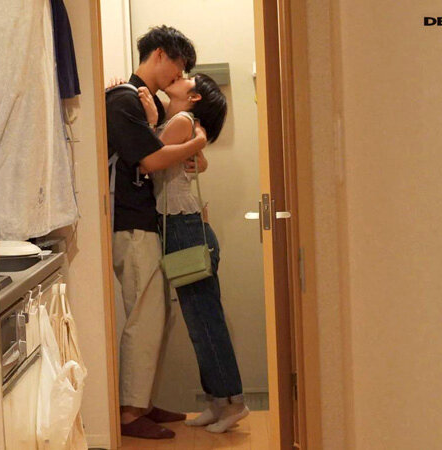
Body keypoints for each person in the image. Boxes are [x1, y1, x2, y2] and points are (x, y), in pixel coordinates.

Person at [105, 25, 208, 440]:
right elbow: (150, 160)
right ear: (161, 54)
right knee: (145, 316)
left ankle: (141, 402)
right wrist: (197, 141)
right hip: (129, 222)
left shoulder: (141, 103)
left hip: (141, 220)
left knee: (155, 314)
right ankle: (130, 412)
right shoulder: (124, 99)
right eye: (178, 66)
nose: (178, 76)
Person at [140, 73, 250, 433]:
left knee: (206, 322)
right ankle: (218, 403)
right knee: (200, 323)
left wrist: (153, 123)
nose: (180, 77)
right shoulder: (183, 123)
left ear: (195, 97)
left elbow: (147, 159)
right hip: (184, 228)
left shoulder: (183, 121)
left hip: (185, 228)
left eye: (188, 78)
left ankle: (234, 403)